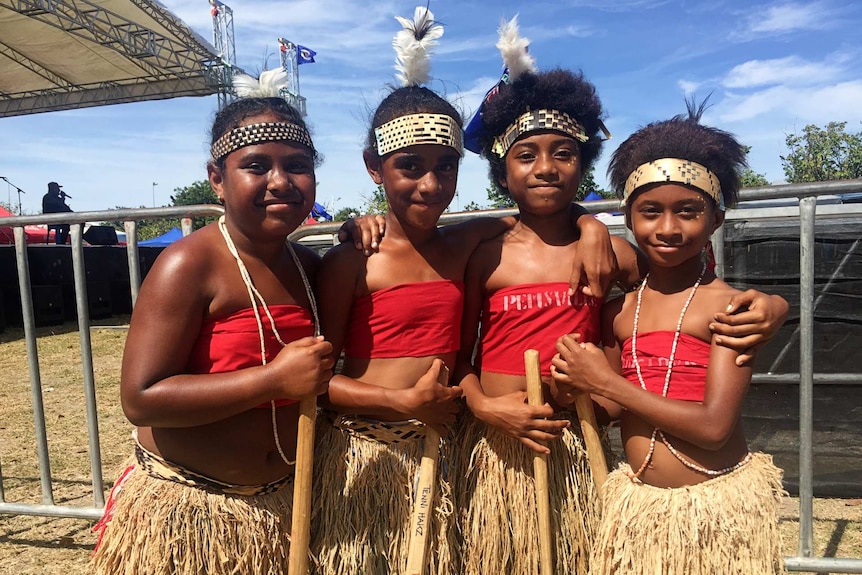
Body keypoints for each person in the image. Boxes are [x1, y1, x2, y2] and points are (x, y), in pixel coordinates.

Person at [311, 9, 617, 575]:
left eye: (446, 167)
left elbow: (541, 219)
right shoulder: (352, 257)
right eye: (410, 166)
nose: (431, 184)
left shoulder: (471, 239)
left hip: (447, 451)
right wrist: (401, 403)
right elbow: (320, 382)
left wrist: (594, 225)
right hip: (364, 454)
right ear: (375, 168)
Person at [89, 75, 335, 575]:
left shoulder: (311, 268)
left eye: (298, 166)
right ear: (217, 178)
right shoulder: (188, 264)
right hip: (194, 512)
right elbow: (141, 398)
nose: (281, 181)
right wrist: (273, 380)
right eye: (255, 165)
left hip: (286, 511)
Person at [551, 101, 787, 574]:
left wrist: (605, 381)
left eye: (688, 212)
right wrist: (571, 384)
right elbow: (611, 410)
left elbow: (714, 427)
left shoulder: (729, 309)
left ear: (715, 220)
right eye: (651, 212)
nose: (668, 229)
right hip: (642, 511)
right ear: (629, 217)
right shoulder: (621, 312)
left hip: (714, 515)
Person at [453, 25, 641, 574]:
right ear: (502, 169)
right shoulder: (483, 249)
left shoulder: (614, 253)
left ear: (582, 164)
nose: (545, 167)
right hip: (498, 454)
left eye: (563, 153)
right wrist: (483, 405)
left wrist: (592, 226)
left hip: (579, 447)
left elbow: (691, 273)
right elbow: (460, 355)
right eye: (526, 154)